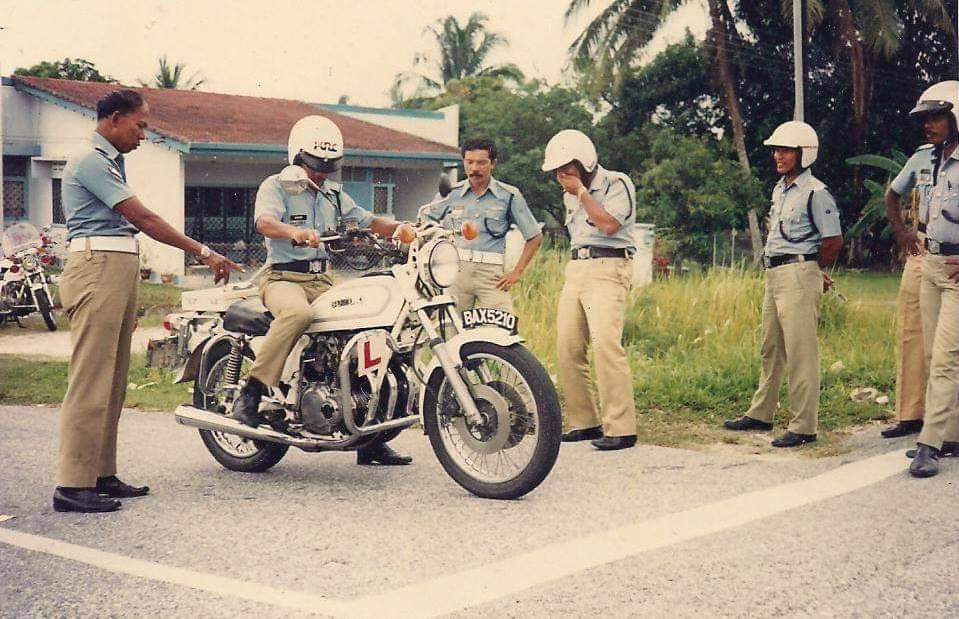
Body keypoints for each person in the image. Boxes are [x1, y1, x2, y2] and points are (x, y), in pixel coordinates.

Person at [55, 89, 241, 513]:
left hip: (115, 265)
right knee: (90, 378)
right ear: (115, 118)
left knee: (114, 377)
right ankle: (72, 483)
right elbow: (143, 218)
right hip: (96, 264)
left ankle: (100, 474)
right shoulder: (89, 158)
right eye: (139, 126)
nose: (143, 135)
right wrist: (203, 251)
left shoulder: (108, 161)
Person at [230, 115, 411, 466]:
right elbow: (264, 222)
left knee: (365, 326)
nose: (321, 173)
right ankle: (251, 392)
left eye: (327, 167)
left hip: (322, 279)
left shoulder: (334, 195)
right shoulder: (276, 186)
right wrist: (290, 232)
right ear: (297, 158)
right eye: (314, 166)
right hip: (283, 278)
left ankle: (368, 438)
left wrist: (402, 228)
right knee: (298, 314)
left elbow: (369, 219)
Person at [723, 121, 842, 448]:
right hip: (774, 274)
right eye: (776, 150)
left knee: (801, 350)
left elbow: (833, 239)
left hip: (798, 274)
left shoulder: (816, 192)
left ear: (804, 154)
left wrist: (815, 270)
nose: (778, 155)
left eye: (786, 150)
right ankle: (761, 412)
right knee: (770, 346)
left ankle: (804, 425)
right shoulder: (780, 189)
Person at [542, 129, 638, 451]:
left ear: (585, 162)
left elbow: (609, 225)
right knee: (568, 347)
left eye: (567, 169)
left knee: (605, 346)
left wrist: (582, 193)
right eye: (557, 171)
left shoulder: (616, 183)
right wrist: (576, 193)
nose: (561, 177)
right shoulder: (569, 195)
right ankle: (585, 421)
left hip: (608, 267)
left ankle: (621, 427)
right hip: (577, 267)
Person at [906, 81, 959, 478]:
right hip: (931, 266)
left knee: (944, 359)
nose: (929, 125)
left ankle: (929, 445)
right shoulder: (931, 161)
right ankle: (952, 433)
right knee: (931, 356)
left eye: (937, 117)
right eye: (925, 119)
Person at [428, 138, 541, 313]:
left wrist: (516, 273)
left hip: (491, 274)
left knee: (503, 329)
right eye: (469, 162)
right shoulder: (451, 194)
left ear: (493, 163)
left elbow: (534, 236)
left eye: (481, 163)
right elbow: (425, 222)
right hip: (455, 272)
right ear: (463, 162)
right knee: (451, 330)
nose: (474, 169)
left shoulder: (508, 195)